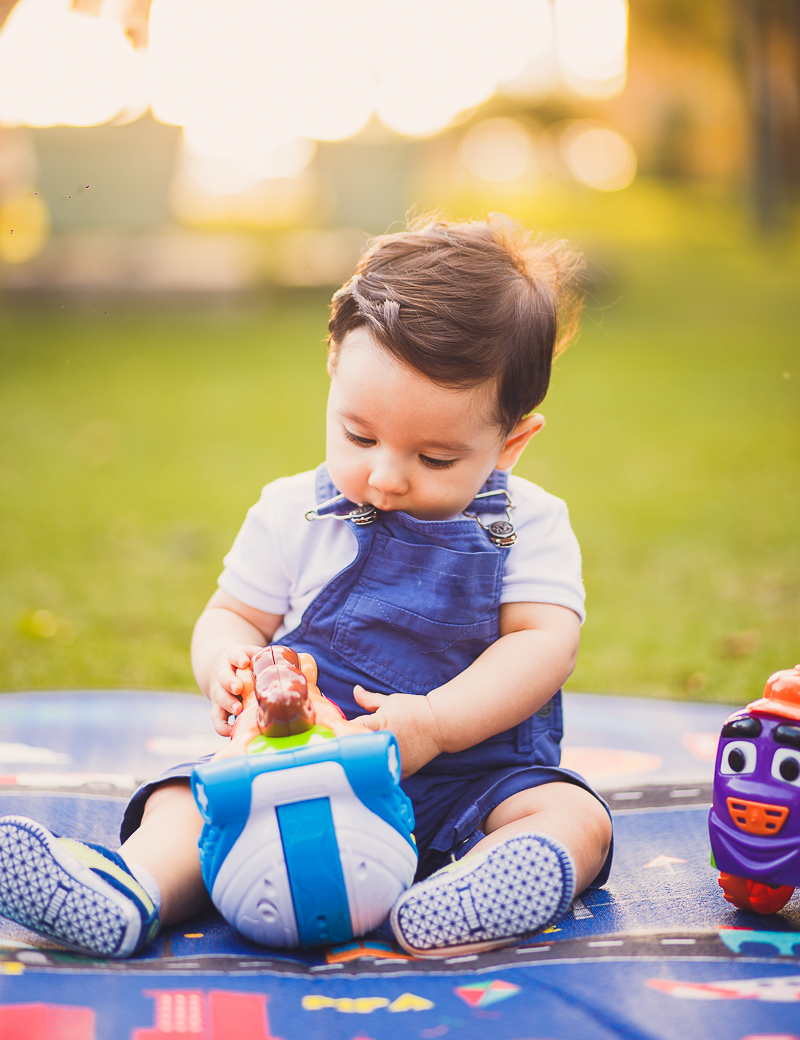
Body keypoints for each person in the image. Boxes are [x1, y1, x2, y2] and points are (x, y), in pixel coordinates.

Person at [0, 214, 612, 959]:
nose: (386, 477)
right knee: (186, 803)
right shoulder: (294, 511)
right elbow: (231, 616)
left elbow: (544, 645)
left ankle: (473, 893)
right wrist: (224, 665)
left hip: (469, 779)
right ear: (332, 371)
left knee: (572, 814)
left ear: (510, 444)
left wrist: (437, 724)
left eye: (436, 458)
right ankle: (128, 888)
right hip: (294, 772)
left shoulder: (527, 524)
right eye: (360, 437)